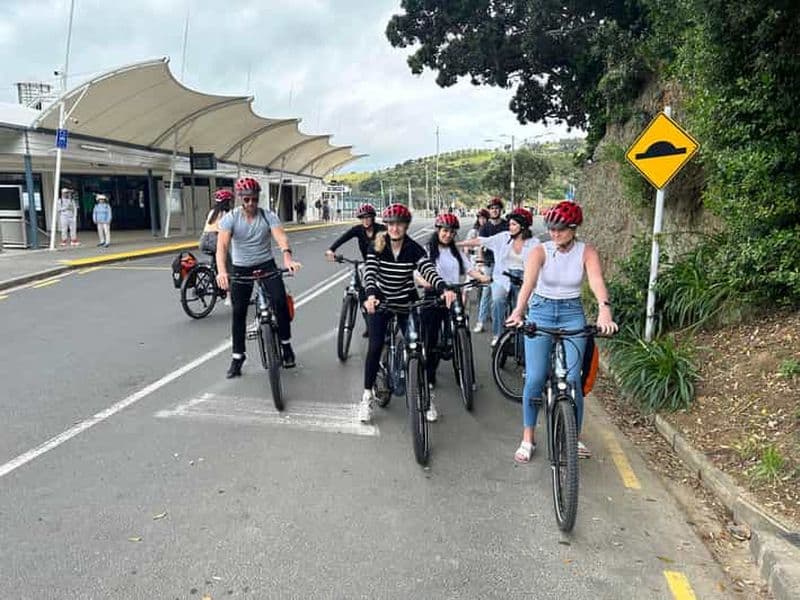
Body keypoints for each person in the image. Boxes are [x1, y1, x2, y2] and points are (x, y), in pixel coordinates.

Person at [506, 201, 618, 463]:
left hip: (571, 313)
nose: (555, 234)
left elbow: (597, 281)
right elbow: (529, 284)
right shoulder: (540, 250)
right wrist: (518, 311)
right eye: (551, 228)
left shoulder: (586, 251)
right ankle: (528, 436)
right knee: (534, 378)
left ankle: (573, 434)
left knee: (574, 381)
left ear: (574, 228)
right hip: (541, 310)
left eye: (561, 229)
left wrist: (604, 311)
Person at [359, 203, 456, 424]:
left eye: (400, 224)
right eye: (391, 224)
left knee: (419, 346)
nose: (395, 228)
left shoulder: (414, 248)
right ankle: (366, 398)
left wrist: (443, 288)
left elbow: (427, 269)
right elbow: (370, 272)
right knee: (374, 346)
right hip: (381, 302)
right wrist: (371, 295)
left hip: (406, 303)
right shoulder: (377, 245)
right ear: (386, 225)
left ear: (406, 226)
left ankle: (426, 395)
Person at [215, 177, 302, 378]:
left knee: (280, 302)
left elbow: (280, 237)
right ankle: (238, 357)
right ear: (240, 199)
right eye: (246, 200)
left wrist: (287, 257)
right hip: (241, 267)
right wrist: (222, 271)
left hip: (265, 264)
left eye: (254, 199)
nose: (251, 204)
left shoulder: (267, 216)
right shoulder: (231, 218)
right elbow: (222, 247)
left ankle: (286, 345)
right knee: (238, 312)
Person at [418, 213, 487, 421]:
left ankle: (466, 376)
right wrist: (425, 283)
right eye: (444, 230)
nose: (447, 234)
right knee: (429, 340)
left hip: (454, 294)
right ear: (438, 230)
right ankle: (428, 379)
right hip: (434, 296)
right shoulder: (427, 250)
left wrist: (484, 278)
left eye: (451, 232)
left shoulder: (456, 252)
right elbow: (417, 273)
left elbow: (470, 269)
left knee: (462, 329)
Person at [459, 207, 539, 346]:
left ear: (523, 226)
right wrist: (456, 244)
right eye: (510, 224)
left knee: (523, 310)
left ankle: (522, 343)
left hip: (524, 280)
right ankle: (497, 334)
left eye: (514, 224)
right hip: (503, 278)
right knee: (497, 301)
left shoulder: (534, 243)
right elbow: (480, 241)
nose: (510, 227)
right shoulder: (503, 238)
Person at [325, 203, 388, 337]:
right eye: (362, 217)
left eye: (368, 217)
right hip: (368, 263)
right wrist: (331, 250)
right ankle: (369, 324)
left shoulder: (382, 229)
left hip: (383, 263)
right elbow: (343, 238)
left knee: (380, 290)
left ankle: (385, 319)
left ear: (373, 218)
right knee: (362, 293)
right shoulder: (357, 230)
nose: (365, 220)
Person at [473, 197, 507, 333]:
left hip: (503, 265)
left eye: (497, 208)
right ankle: (481, 321)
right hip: (488, 263)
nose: (494, 210)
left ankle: (503, 323)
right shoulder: (484, 227)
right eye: (492, 208)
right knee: (486, 292)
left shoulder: (506, 225)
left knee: (502, 294)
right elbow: (480, 245)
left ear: (501, 210)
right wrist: (480, 263)